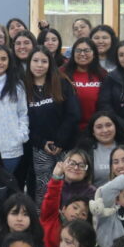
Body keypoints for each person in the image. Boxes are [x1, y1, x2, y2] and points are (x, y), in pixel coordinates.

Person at [25, 47, 82, 200]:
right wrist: (42, 143)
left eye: (44, 61)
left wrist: (60, 142)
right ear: (29, 63)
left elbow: (73, 114)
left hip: (66, 146)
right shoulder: (23, 87)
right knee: (43, 190)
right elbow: (23, 122)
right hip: (40, 148)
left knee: (69, 187)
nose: (39, 65)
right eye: (35, 61)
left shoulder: (62, 82)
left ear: (50, 64)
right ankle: (43, 221)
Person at [63, 38, 108, 132]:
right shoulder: (62, 73)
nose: (82, 54)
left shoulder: (103, 74)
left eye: (87, 50)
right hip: (69, 129)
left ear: (94, 54)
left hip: (96, 129)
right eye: (78, 51)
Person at [77, 111, 124, 187]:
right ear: (93, 132)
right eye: (99, 127)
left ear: (115, 127)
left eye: (108, 125)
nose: (105, 130)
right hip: (94, 196)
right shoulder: (85, 151)